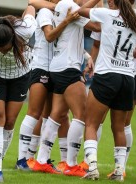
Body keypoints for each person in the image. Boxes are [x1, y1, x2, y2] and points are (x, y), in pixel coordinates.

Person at [79, 0, 136, 181]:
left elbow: (81, 10)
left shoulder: (106, 15)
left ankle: (92, 167)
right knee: (119, 127)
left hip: (107, 75)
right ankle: (119, 171)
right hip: (128, 77)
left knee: (91, 123)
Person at [32, 0, 100, 177]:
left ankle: (41, 160)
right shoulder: (69, 5)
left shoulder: (64, 5)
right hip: (68, 67)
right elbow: (97, 26)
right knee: (82, 115)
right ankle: (71, 164)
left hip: (59, 66)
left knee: (57, 115)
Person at [17, 0, 80, 172]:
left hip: (54, 68)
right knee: (34, 112)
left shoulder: (59, 13)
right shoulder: (45, 12)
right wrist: (67, 20)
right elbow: (49, 36)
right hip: (41, 67)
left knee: (54, 115)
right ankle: (22, 158)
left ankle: (45, 159)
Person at [0, 4, 37, 182]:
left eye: (3, 48)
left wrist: (26, 12)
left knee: (10, 121)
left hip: (21, 75)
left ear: (12, 40)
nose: (0, 51)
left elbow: (32, 8)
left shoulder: (25, 30)